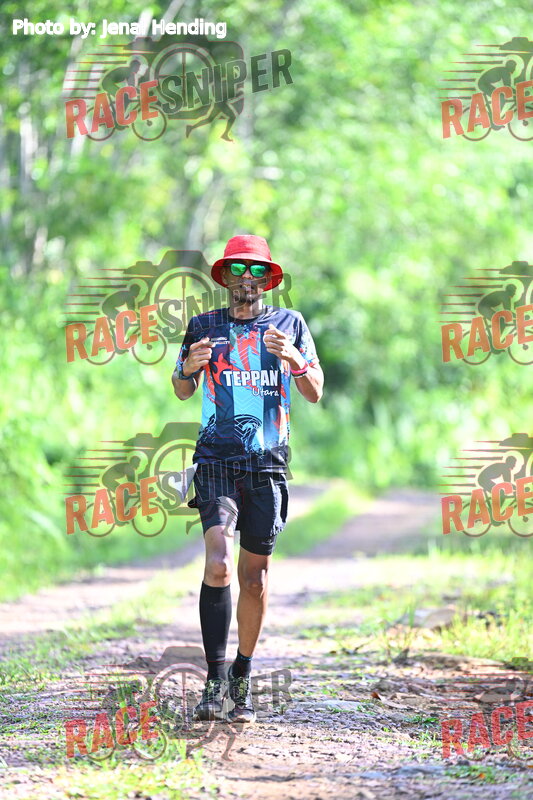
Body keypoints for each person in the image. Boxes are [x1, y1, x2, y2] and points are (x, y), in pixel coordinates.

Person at [171, 234, 324, 723]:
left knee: (254, 579)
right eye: (239, 269)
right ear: (226, 277)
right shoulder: (204, 326)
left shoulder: (290, 324)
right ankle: (214, 680)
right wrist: (187, 368)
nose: (248, 279)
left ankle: (242, 673)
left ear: (268, 279)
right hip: (215, 460)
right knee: (218, 562)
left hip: (267, 464)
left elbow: (315, 391)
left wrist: (294, 359)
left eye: (257, 270)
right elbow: (181, 388)